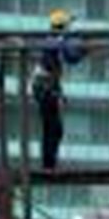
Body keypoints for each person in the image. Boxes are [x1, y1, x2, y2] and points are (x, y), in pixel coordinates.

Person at [31, 9, 84, 170]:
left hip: (45, 85)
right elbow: (70, 57)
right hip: (45, 86)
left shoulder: (52, 39)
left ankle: (49, 162)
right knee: (53, 128)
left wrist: (60, 93)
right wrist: (83, 49)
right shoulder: (56, 40)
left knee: (52, 127)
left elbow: (55, 69)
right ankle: (49, 164)